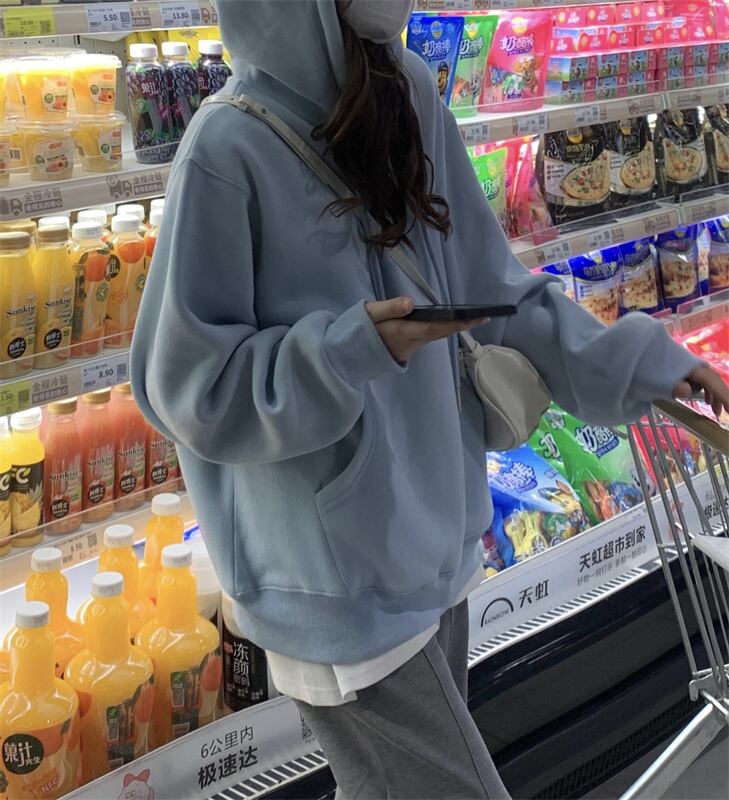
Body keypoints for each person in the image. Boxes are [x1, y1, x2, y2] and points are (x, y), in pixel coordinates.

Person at [131, 1, 729, 797]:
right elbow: (187, 386)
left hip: (435, 543)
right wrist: (341, 353)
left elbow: (494, 290)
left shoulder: (405, 88)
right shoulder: (227, 147)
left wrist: (639, 364)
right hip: (330, 579)